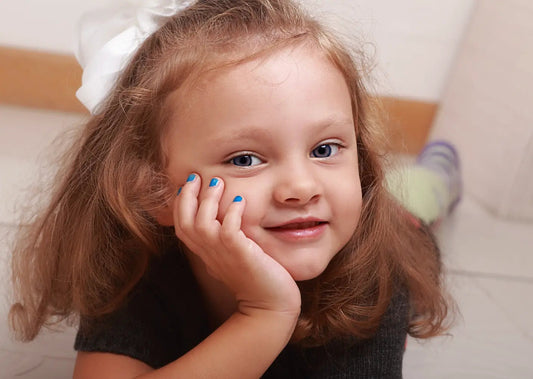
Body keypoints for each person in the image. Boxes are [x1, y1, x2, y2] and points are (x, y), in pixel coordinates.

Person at [9, 1, 453, 377]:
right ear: (156, 191)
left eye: (325, 148)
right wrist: (264, 314)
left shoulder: (378, 274)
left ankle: (441, 166)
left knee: (421, 195)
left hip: (399, 225)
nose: (300, 187)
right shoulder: (135, 260)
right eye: (245, 159)